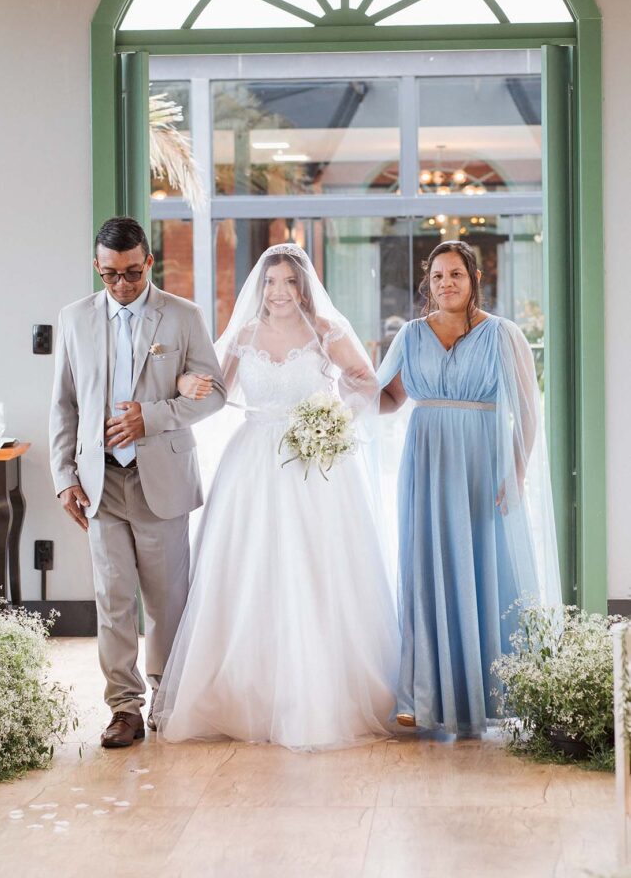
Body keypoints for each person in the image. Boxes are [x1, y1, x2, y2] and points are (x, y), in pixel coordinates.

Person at [154, 244, 399, 751]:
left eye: (289, 281)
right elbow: (215, 390)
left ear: (303, 287)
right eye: (270, 282)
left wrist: (333, 420)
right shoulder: (244, 335)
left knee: (312, 566)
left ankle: (316, 691)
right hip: (252, 463)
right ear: (260, 287)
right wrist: (182, 380)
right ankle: (243, 693)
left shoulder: (325, 331)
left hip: (312, 462)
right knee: (250, 568)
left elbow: (365, 382)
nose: (279, 291)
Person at [49, 216, 225, 748]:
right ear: (97, 267)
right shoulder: (74, 318)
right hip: (99, 482)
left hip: (161, 479)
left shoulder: (184, 315)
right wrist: (64, 477)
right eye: (110, 274)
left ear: (149, 262)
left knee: (167, 601)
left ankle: (167, 699)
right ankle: (124, 709)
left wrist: (152, 417)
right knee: (112, 600)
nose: (122, 284)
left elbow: (215, 394)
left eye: (131, 272)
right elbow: (64, 404)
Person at [378, 240, 561, 736]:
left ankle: (490, 695)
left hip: (483, 463)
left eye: (455, 274)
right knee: (427, 566)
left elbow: (528, 409)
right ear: (428, 283)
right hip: (426, 465)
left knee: (484, 565)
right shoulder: (411, 335)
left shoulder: (503, 334)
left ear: (474, 279)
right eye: (438, 276)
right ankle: (426, 694)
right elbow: (390, 398)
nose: (446, 284)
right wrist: (342, 398)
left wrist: (516, 471)